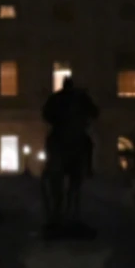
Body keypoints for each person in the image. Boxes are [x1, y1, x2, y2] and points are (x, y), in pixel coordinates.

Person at [40, 74, 99, 234]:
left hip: (60, 134)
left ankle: (58, 214)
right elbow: (94, 112)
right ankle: (87, 167)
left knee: (58, 147)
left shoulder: (58, 98)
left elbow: (45, 114)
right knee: (87, 144)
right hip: (73, 133)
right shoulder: (79, 97)